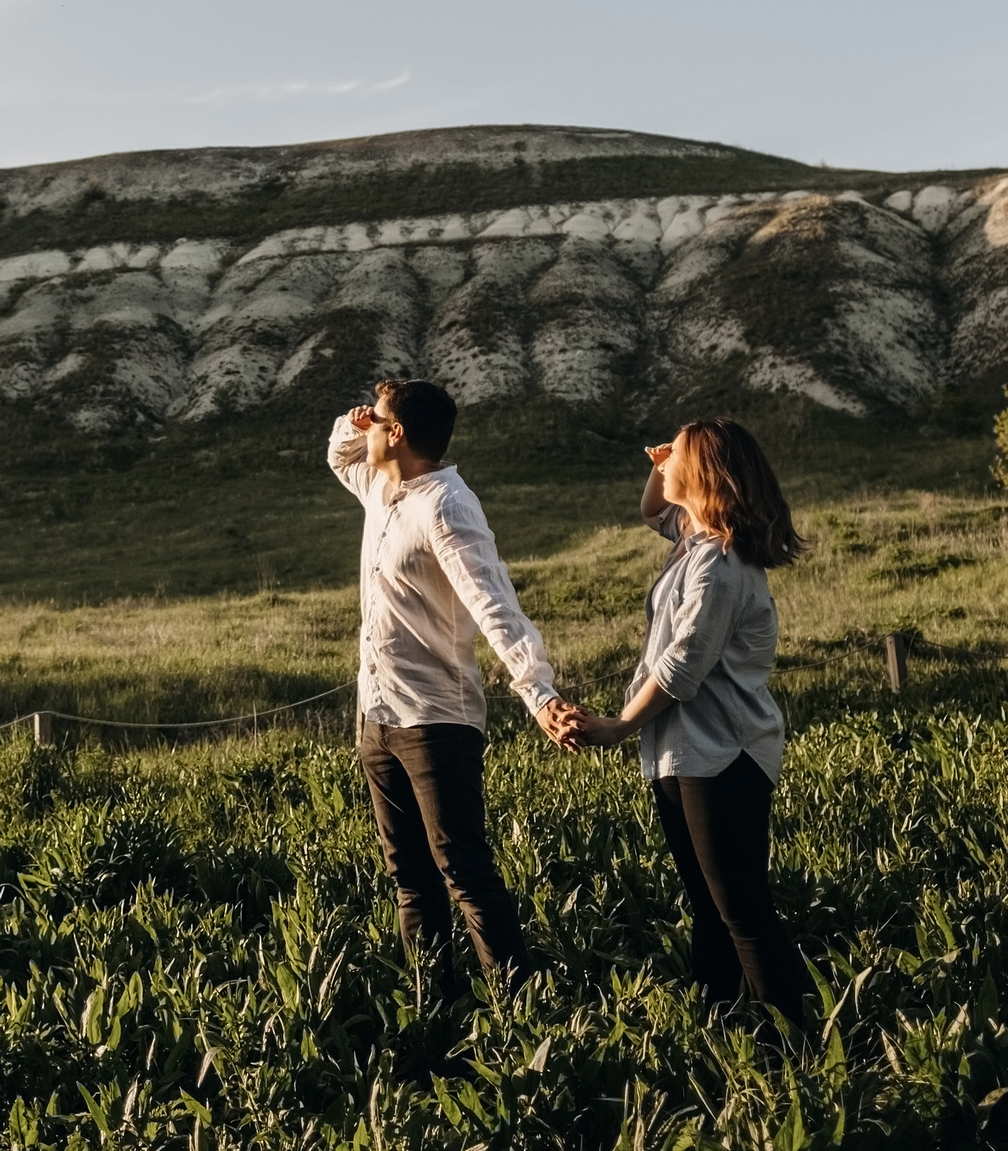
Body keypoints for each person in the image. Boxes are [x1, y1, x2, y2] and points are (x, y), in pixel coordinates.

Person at [328, 379, 580, 1002]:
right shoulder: (381, 490)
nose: (367, 432)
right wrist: (354, 420)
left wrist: (538, 693)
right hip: (377, 715)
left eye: (377, 422)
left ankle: (518, 1011)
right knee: (408, 877)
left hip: (436, 720)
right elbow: (337, 454)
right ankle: (433, 1008)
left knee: (464, 872)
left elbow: (494, 603)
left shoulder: (447, 505)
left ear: (401, 434)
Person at [573, 417, 815, 1039]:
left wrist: (617, 726)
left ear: (702, 473)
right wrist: (662, 467)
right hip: (684, 753)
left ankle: (801, 1042)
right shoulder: (695, 541)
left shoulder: (720, 564)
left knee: (741, 908)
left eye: (674, 454)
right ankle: (724, 1032)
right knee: (710, 907)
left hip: (725, 753)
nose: (662, 461)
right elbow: (653, 511)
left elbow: (682, 665)